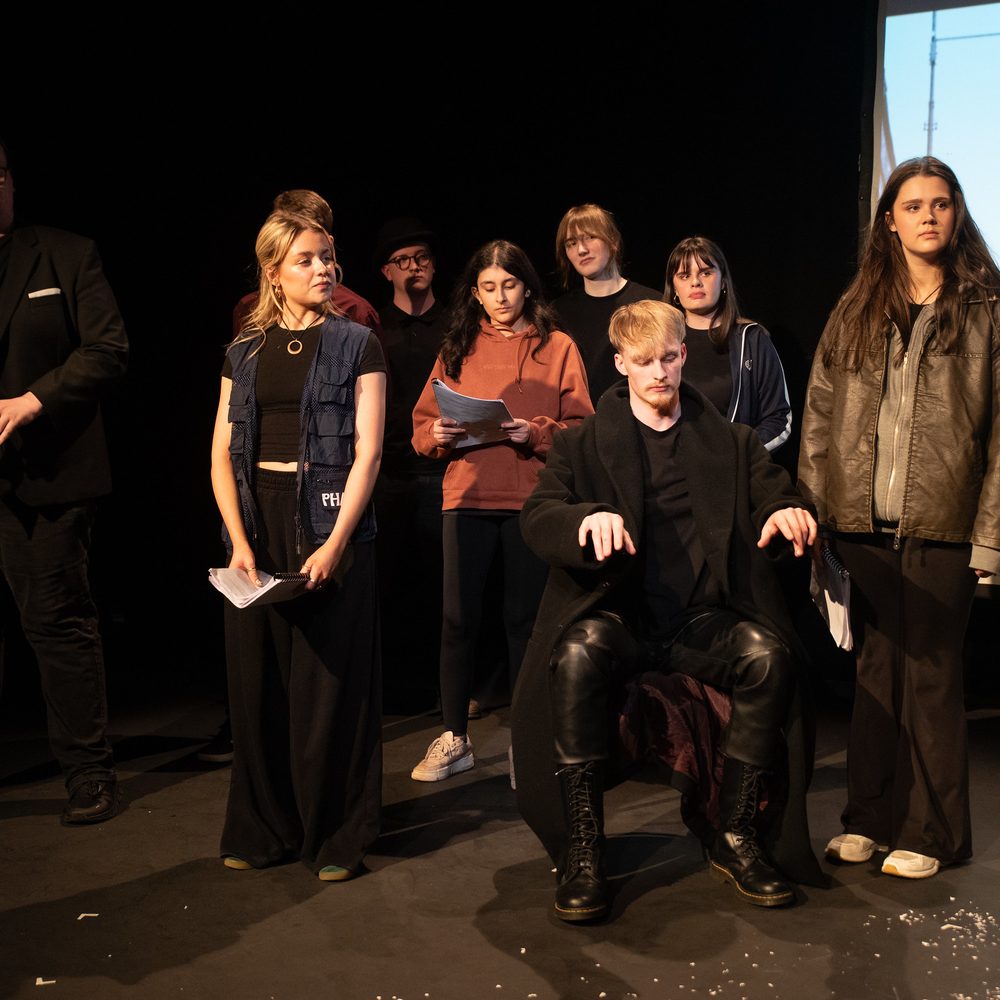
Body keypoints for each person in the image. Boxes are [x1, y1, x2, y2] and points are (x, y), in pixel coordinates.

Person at [513, 300, 822, 921]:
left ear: (684, 356)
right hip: (619, 615)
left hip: (699, 618)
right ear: (621, 363)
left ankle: (736, 835)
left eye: (669, 358)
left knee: (768, 657)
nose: (659, 371)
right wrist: (584, 520)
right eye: (644, 361)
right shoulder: (583, 443)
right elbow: (539, 517)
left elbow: (777, 494)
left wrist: (787, 513)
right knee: (575, 655)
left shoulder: (730, 442)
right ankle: (584, 849)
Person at [798, 156, 1000, 880]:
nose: (927, 216)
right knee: (876, 671)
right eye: (912, 205)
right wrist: (816, 516)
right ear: (889, 219)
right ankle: (868, 819)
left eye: (940, 204)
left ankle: (935, 832)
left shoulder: (986, 309)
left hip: (945, 522)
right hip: (859, 523)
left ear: (957, 214)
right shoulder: (856, 307)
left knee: (934, 676)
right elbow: (820, 416)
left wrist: (991, 537)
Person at [210, 210, 386, 880]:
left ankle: (337, 834)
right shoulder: (244, 350)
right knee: (258, 684)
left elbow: (368, 453)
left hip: (329, 520)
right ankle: (263, 828)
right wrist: (236, 539)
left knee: (330, 685)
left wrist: (337, 544)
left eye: (328, 257)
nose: (325, 270)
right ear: (274, 271)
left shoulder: (355, 342)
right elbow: (221, 452)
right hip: (258, 521)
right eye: (308, 259)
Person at [410, 239, 593, 782]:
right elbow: (421, 426)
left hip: (530, 503)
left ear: (526, 286)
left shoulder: (557, 346)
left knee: (524, 623)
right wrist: (437, 434)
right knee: (457, 620)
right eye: (488, 288)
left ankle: (526, 741)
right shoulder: (459, 345)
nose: (500, 297)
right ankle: (453, 738)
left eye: (509, 285)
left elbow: (583, 431)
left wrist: (533, 432)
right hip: (465, 498)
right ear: (475, 294)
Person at [0, 137, 129, 825]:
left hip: (50, 477)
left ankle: (88, 772)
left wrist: (33, 400)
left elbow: (108, 349)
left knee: (56, 621)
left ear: (11, 182)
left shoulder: (64, 253)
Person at [372, 218, 448, 709]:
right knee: (393, 583)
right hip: (391, 474)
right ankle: (398, 689)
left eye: (421, 258)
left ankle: (449, 688)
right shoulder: (374, 328)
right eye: (403, 261)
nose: (414, 267)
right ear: (386, 271)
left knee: (445, 588)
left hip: (446, 471)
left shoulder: (456, 324)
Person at [665, 236, 792, 452]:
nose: (696, 282)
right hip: (674, 474)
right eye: (685, 275)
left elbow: (778, 419)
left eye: (706, 272)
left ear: (723, 281)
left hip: (737, 472)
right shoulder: (662, 343)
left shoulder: (752, 339)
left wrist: (738, 454)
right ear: (674, 288)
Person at [553, 204, 661, 403]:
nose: (581, 250)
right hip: (580, 425)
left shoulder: (652, 304)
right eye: (571, 243)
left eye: (590, 237)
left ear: (613, 241)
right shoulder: (557, 313)